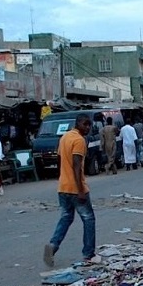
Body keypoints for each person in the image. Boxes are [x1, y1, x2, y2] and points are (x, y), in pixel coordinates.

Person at [43, 113, 98, 267]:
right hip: (76, 187)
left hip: (63, 187)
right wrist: (80, 190)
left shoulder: (65, 137)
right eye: (85, 124)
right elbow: (76, 166)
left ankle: (52, 247)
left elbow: (60, 160)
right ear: (78, 124)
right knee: (88, 219)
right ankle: (89, 254)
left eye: (89, 125)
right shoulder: (79, 140)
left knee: (66, 218)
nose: (87, 128)